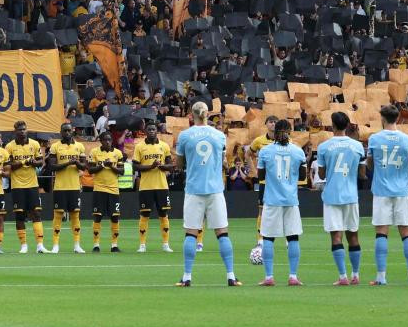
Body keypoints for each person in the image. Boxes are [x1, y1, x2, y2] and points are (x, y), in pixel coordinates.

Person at [173, 101, 239, 287]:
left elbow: (179, 164)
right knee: (222, 233)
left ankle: (187, 277)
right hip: (215, 189)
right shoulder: (219, 135)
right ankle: (231, 276)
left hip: (194, 189)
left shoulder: (185, 135)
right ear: (208, 114)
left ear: (191, 115)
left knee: (191, 234)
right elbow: (223, 160)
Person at [366, 105, 408, 285]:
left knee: (381, 233)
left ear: (382, 118)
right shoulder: (407, 139)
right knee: (407, 233)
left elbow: (370, 164)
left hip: (381, 190)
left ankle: (381, 277)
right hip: (401, 190)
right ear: (398, 118)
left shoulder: (374, 139)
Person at [313, 112, 364, 285]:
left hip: (332, 196)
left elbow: (321, 174)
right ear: (347, 125)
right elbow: (362, 174)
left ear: (332, 125)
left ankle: (342, 277)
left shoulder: (324, 147)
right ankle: (355, 275)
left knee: (336, 236)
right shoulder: (357, 146)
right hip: (351, 195)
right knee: (353, 235)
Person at [255, 119, 307, 286]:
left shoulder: (265, 151)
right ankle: (293, 276)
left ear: (275, 133)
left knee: (268, 238)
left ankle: (269, 277)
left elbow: (260, 177)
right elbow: (303, 176)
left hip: (272, 200)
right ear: (290, 132)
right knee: (293, 238)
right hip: (291, 200)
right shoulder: (298, 151)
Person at [4, 121, 48, 254]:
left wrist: (34, 162)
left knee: (36, 213)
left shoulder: (34, 144)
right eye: (20, 129)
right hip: (17, 186)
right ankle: (23, 245)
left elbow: (40, 161)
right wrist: (24, 161)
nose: (22, 131)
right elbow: (8, 166)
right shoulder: (9, 146)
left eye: (24, 129)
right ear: (15, 131)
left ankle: (40, 245)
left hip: (32, 185)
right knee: (20, 215)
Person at [131, 121, 173, 253]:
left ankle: (165, 244)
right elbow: (135, 166)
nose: (151, 131)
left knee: (163, 214)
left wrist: (161, 166)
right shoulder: (139, 146)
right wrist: (151, 166)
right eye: (149, 129)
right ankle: (142, 245)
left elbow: (170, 166)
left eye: (153, 129)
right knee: (145, 214)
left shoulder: (164, 146)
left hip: (162, 186)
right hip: (146, 187)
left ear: (157, 131)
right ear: (145, 131)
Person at [47, 125, 89, 255]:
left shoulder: (80, 146)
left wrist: (77, 163)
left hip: (74, 187)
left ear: (72, 131)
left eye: (69, 130)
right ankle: (55, 245)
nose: (67, 132)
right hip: (60, 187)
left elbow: (84, 166)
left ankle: (77, 245)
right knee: (58, 215)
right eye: (64, 130)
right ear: (60, 132)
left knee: (75, 215)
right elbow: (52, 166)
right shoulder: (55, 146)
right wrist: (68, 163)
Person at [89, 130, 124, 253]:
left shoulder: (118, 153)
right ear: (101, 141)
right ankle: (96, 245)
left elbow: (122, 171)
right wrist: (103, 165)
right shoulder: (94, 152)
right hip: (99, 189)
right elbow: (90, 170)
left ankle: (114, 245)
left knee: (115, 217)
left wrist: (111, 166)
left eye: (109, 140)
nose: (108, 142)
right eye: (105, 140)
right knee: (98, 216)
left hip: (113, 190)